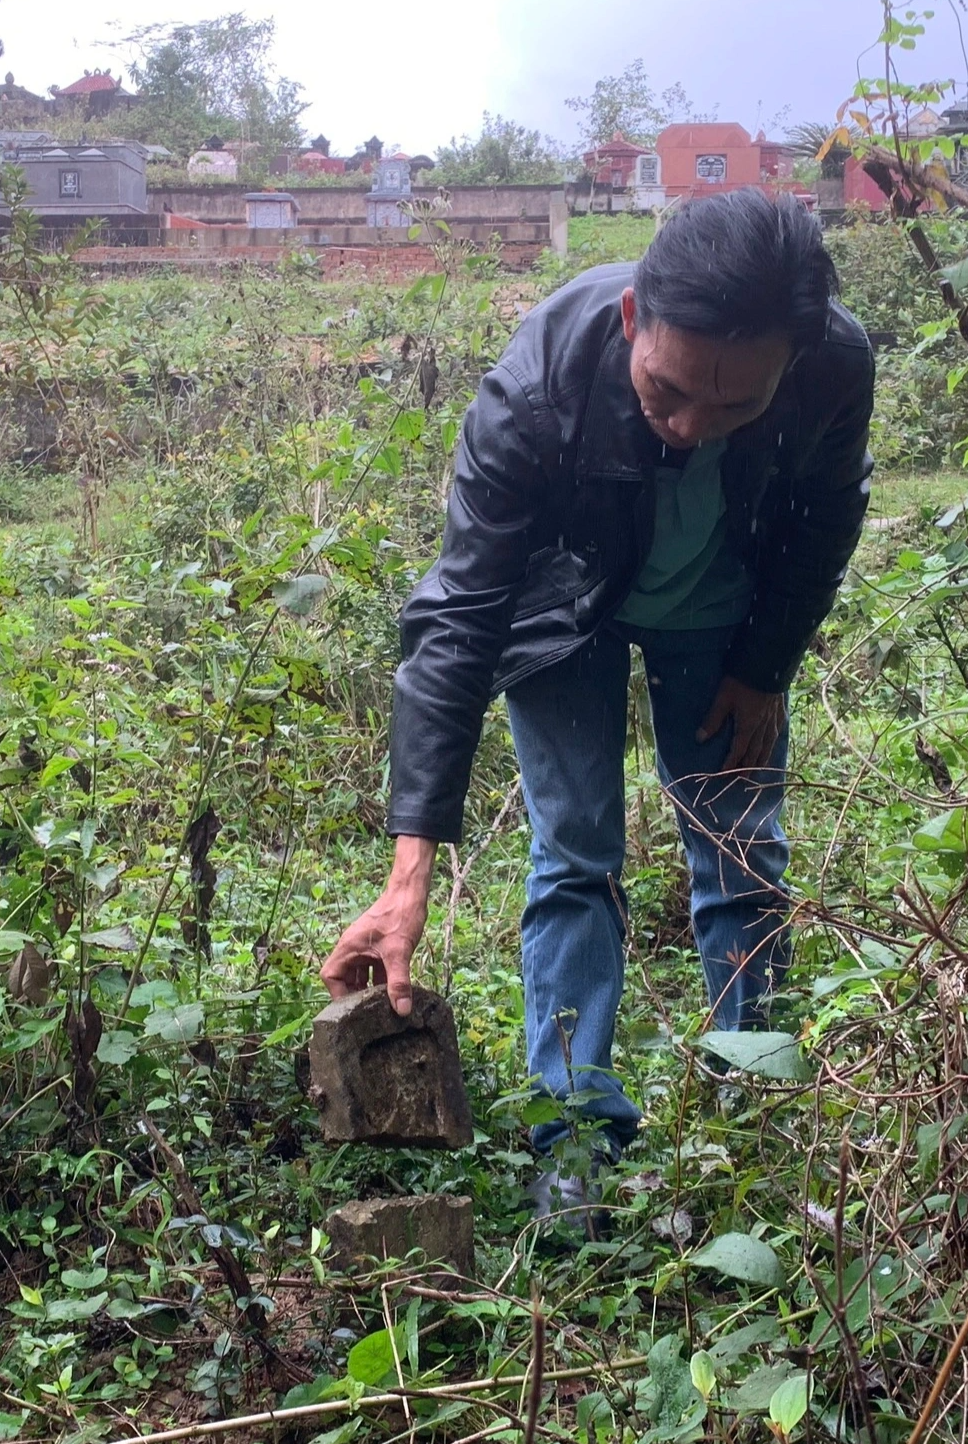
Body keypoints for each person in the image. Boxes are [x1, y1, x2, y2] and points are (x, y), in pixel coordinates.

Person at [321, 189, 876, 1220]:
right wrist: (408, 871)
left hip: (723, 612)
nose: (690, 427)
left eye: (734, 409)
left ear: (789, 369)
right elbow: (459, 612)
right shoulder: (538, 387)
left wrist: (765, 667)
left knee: (740, 849)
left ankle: (750, 1111)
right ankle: (572, 1132)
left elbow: (825, 518)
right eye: (666, 393)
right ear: (632, 320)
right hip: (562, 610)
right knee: (573, 850)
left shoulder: (832, 361)